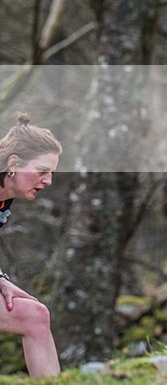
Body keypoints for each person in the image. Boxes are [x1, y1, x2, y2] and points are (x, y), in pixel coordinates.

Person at [0, 112, 62, 376]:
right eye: (42, 171)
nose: (47, 181)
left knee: (35, 316)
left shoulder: (4, 197)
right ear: (14, 163)